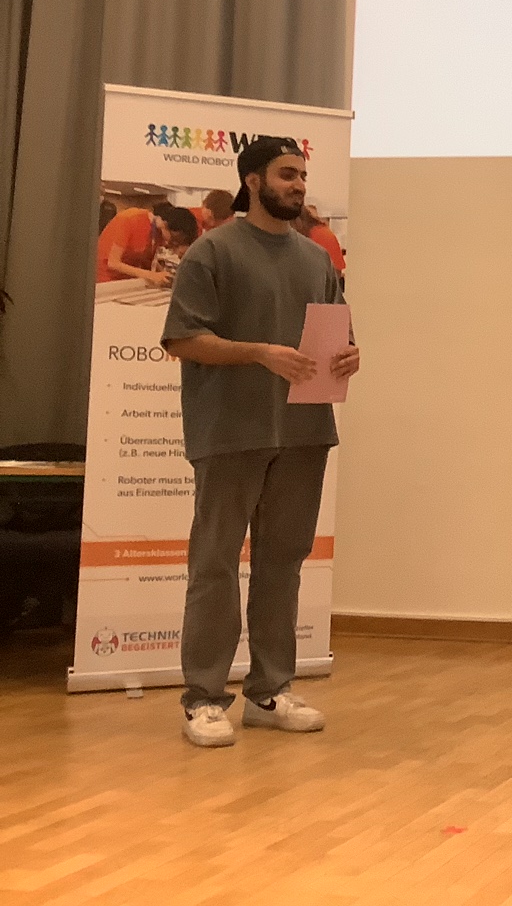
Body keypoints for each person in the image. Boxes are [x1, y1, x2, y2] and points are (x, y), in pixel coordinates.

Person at [161, 137, 360, 748]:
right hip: (230, 432)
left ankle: (270, 692)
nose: (298, 185)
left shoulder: (317, 259)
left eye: (302, 175)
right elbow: (183, 339)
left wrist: (349, 356)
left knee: (282, 564)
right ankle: (203, 699)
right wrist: (258, 353)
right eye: (286, 174)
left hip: (303, 433)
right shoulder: (212, 251)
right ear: (253, 181)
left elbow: (337, 333)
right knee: (215, 564)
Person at [96, 203, 199, 284]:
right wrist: (152, 275)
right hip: (104, 280)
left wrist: (165, 276)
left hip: (127, 281)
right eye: (175, 240)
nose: (170, 244)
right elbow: (113, 263)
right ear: (164, 224)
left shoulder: (159, 235)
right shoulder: (130, 219)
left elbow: (146, 264)